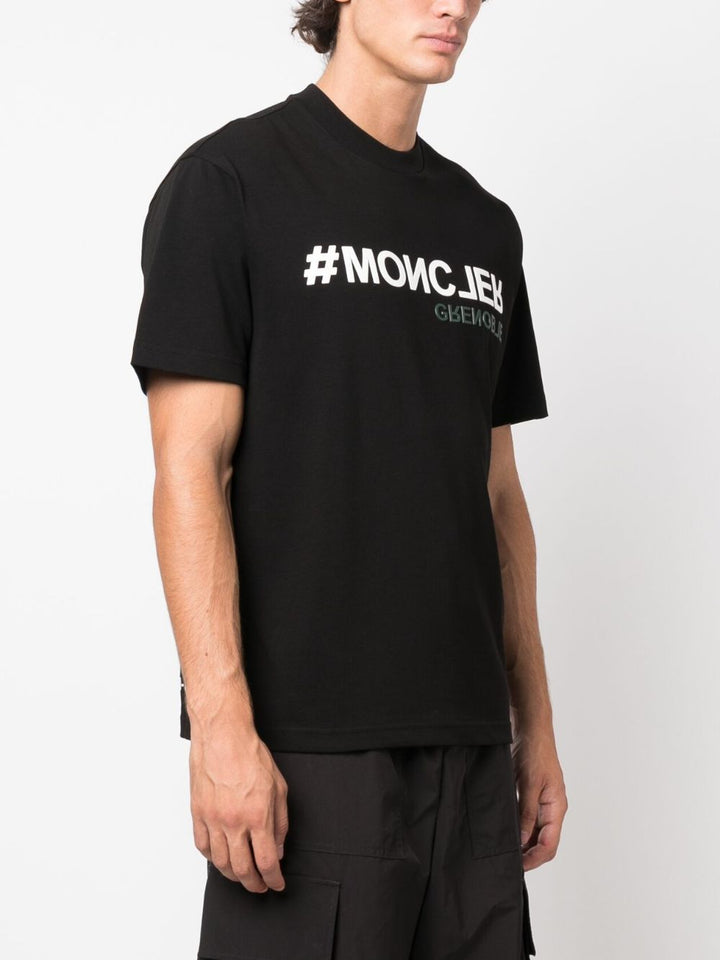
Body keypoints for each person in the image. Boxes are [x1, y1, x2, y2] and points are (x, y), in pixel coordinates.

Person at [130, 0, 568, 956]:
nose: (456, 5)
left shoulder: (485, 226)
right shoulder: (231, 183)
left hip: (470, 751)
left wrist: (533, 723)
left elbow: (497, 494)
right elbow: (190, 467)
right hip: (309, 751)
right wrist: (221, 726)